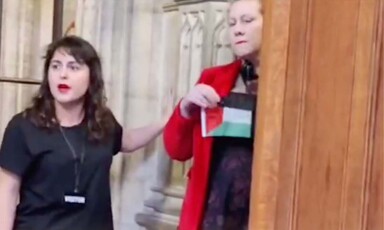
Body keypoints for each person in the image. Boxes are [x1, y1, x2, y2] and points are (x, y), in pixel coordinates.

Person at [0, 35, 165, 230]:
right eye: (56, 66)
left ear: (91, 77)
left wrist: (165, 121)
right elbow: (6, 193)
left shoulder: (102, 122)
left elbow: (127, 140)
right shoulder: (23, 127)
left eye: (73, 67)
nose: (63, 74)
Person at [163, 0, 263, 229]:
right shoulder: (214, 79)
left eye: (247, 21)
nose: (237, 29)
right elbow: (177, 150)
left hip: (266, 206)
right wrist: (186, 108)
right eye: (232, 23)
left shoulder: (291, 84)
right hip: (214, 211)